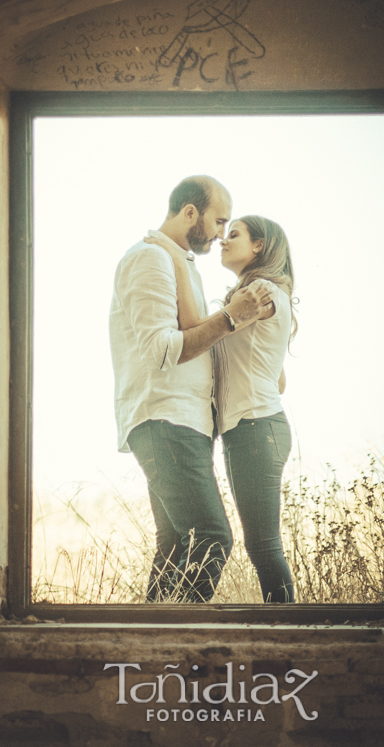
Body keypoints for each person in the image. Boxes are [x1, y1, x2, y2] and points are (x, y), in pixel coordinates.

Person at [109, 176, 273, 603]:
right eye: (218, 222)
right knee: (214, 537)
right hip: (165, 419)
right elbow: (162, 350)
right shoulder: (149, 259)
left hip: (181, 423)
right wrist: (231, 318)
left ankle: (149, 642)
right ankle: (176, 639)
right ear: (189, 213)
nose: (221, 234)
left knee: (177, 545)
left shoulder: (177, 263)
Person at [145, 214, 297, 603]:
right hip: (252, 427)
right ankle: (282, 629)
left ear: (260, 246)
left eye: (235, 235)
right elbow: (278, 378)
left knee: (263, 545)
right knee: (260, 544)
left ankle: (286, 635)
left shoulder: (260, 290)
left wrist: (174, 257)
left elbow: (196, 326)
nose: (224, 241)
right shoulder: (251, 294)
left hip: (256, 426)